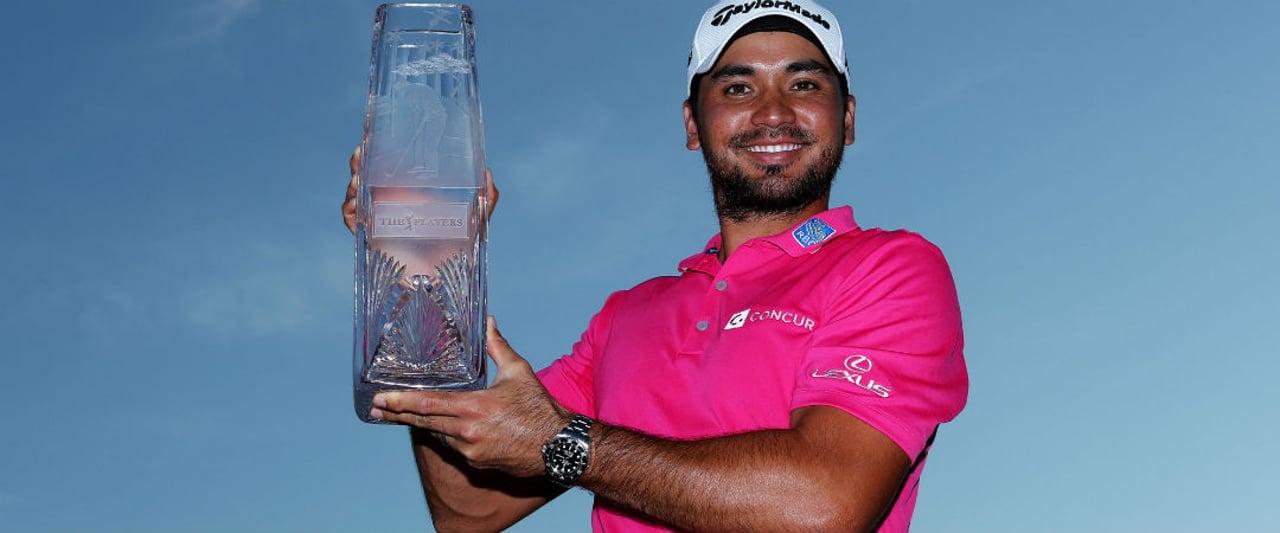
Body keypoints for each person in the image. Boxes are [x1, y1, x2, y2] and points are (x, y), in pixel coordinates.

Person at [342, 1, 967, 531]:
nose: (773, 111)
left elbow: (824, 504)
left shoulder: (892, 268)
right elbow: (465, 508)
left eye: (804, 84)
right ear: (693, 124)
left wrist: (566, 445)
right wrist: (426, 272)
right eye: (738, 86)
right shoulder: (626, 315)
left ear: (847, 117)